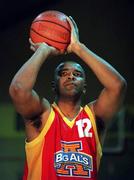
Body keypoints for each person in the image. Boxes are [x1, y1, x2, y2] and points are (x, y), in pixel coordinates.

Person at [9, 16, 127, 180]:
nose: (71, 77)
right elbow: (18, 89)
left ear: (84, 86)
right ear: (54, 85)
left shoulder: (94, 117)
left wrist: (79, 48)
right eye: (63, 74)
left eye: (77, 74)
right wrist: (43, 50)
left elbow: (118, 86)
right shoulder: (43, 116)